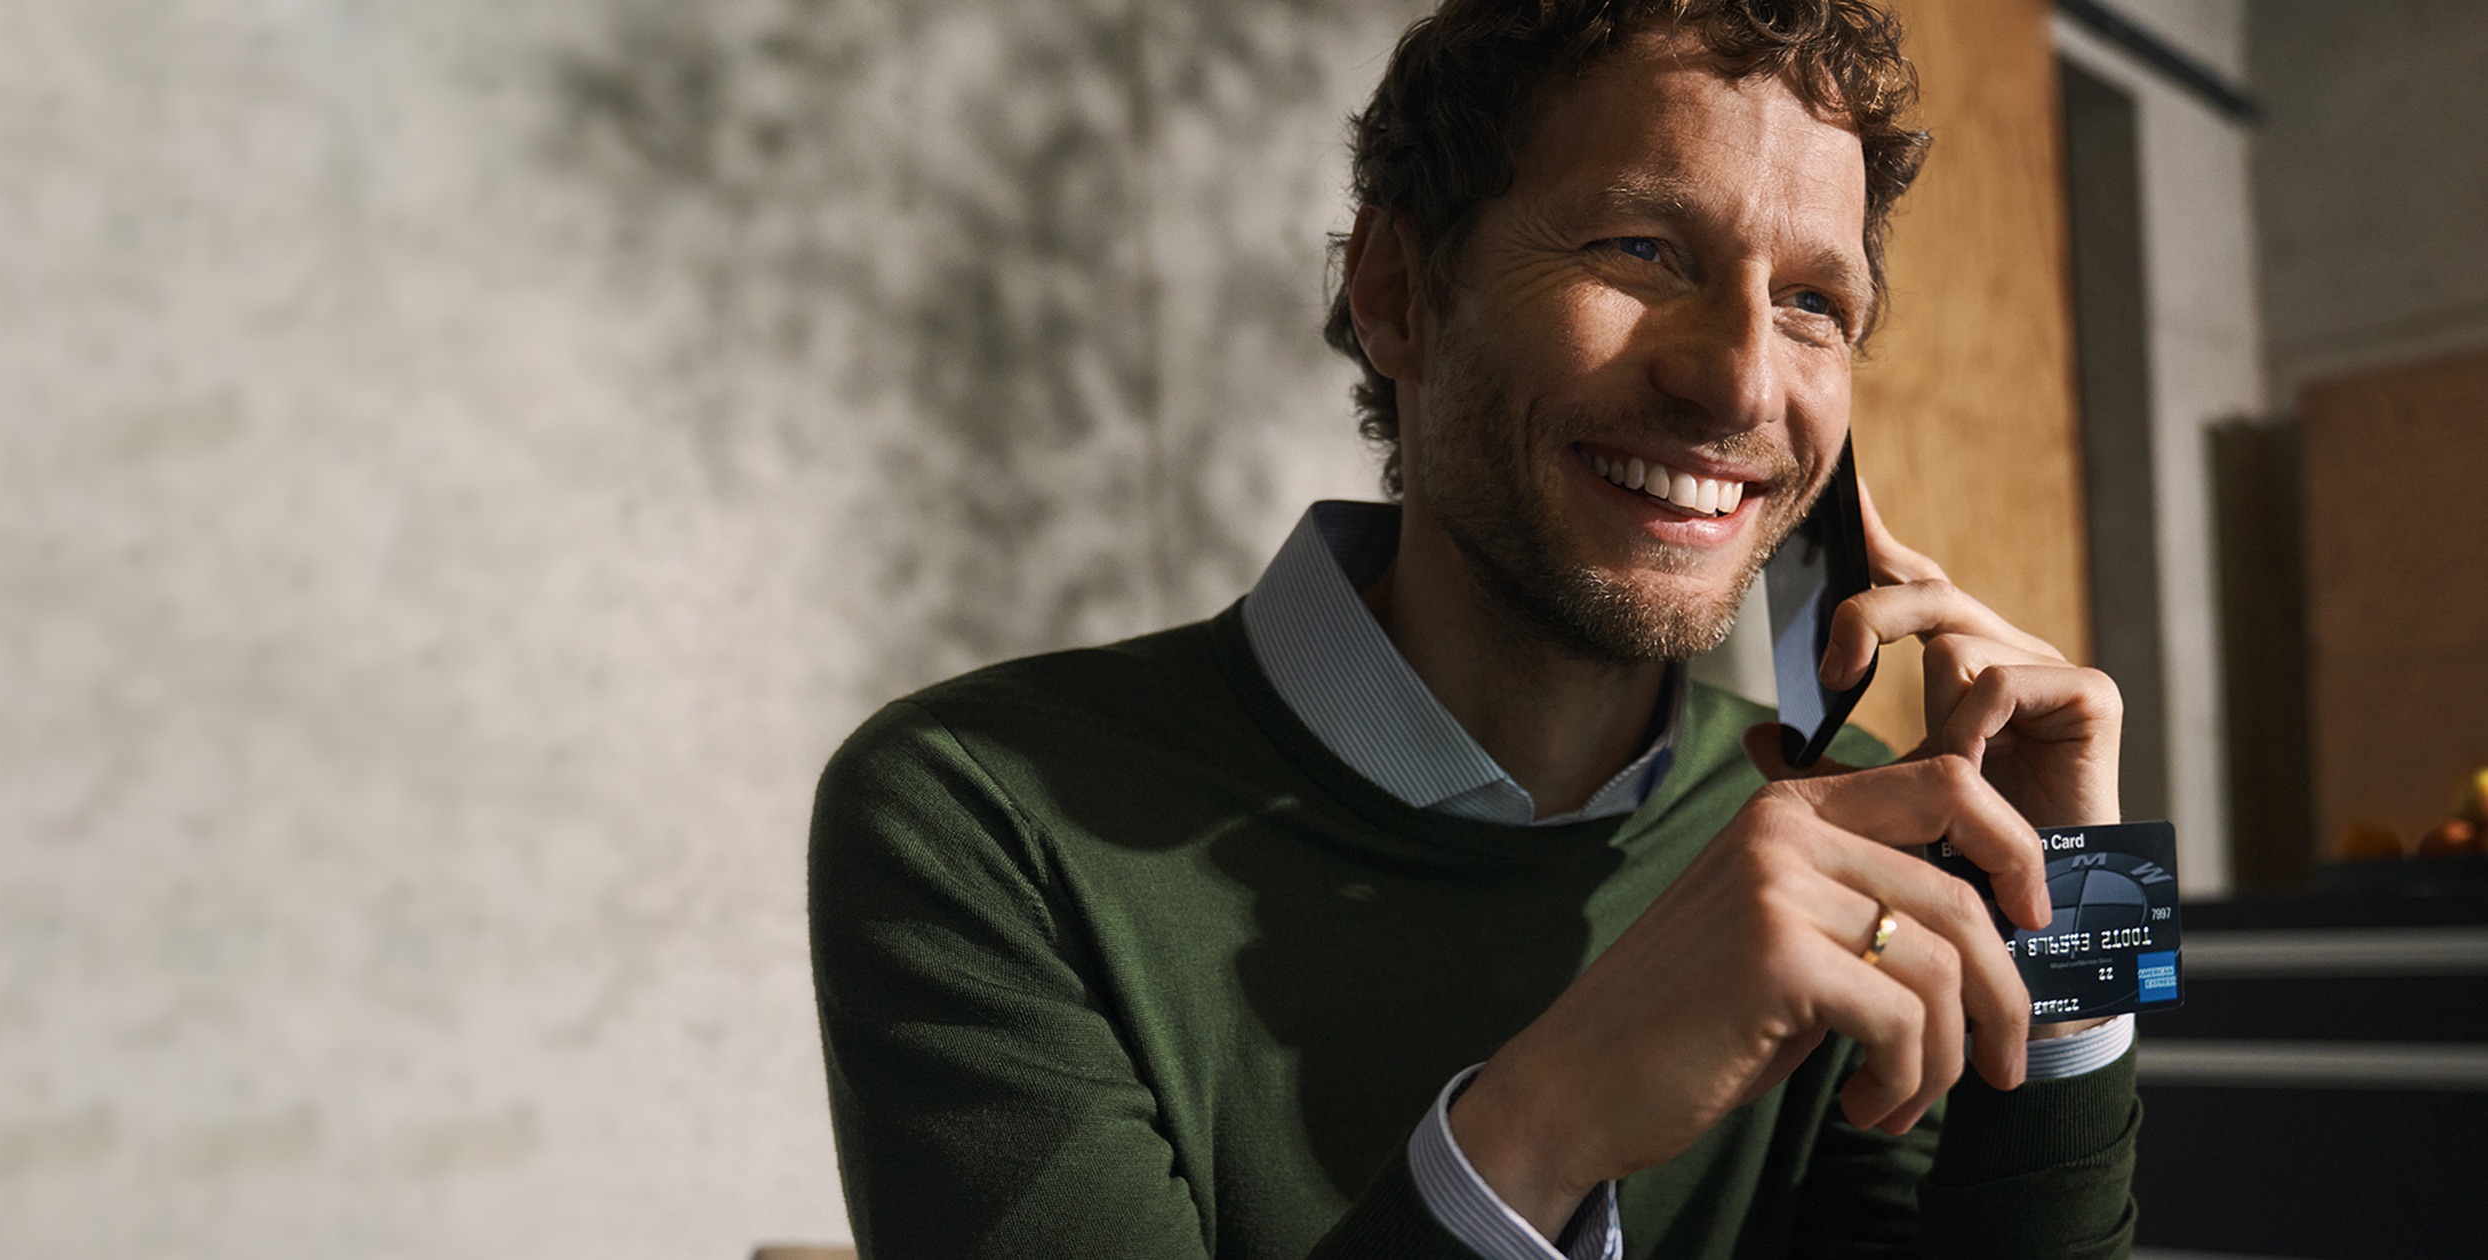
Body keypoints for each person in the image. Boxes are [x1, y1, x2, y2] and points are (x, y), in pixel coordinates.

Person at [808, 2, 2139, 1256]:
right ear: (1396, 291)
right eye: (1641, 249)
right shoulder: (978, 815)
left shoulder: (1836, 833)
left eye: (1814, 307)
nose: (1739, 376)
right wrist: (1543, 1127)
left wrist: (2081, 899)